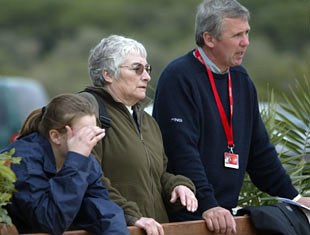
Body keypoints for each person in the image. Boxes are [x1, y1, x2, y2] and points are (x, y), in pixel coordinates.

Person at [152, 0, 310, 234]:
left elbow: (260, 151)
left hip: (224, 214)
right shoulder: (178, 78)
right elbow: (181, 153)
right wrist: (208, 205)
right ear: (209, 39)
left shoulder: (240, 79)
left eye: (247, 33)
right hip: (187, 217)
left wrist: (294, 197)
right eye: (237, 35)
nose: (246, 42)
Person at [80, 34, 198, 235]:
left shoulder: (148, 122)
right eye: (137, 69)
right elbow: (88, 180)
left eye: (147, 69)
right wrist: (131, 217)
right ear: (108, 74)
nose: (147, 76)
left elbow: (157, 175)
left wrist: (177, 186)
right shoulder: (87, 114)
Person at [1, 94, 129, 235]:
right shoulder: (23, 161)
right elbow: (51, 221)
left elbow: (104, 211)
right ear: (55, 136)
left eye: (93, 133)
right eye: (83, 135)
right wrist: (76, 160)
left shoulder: (86, 160)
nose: (91, 141)